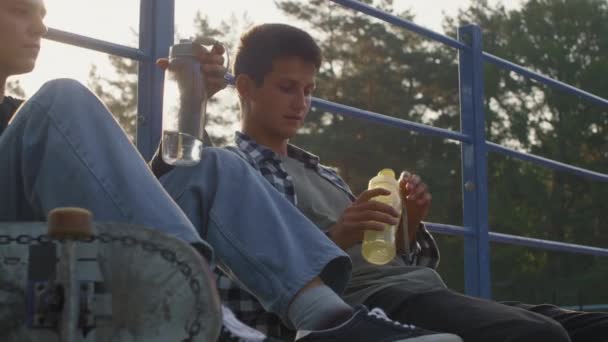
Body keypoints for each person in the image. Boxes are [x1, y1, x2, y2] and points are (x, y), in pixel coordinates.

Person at [0, 1, 463, 341]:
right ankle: (201, 309)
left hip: (56, 265)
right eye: (20, 8)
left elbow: (125, 199)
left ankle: (326, 320)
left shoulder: (34, 126)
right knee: (62, 98)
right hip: (27, 269)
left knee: (214, 165)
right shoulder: (46, 120)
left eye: (41, 10)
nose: (40, 22)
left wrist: (191, 101)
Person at [196, 22, 608, 342]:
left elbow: (382, 259)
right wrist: (338, 235)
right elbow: (258, 275)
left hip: (420, 290)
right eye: (287, 88)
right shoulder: (236, 171)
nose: (301, 103)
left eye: (308, 90)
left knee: (593, 327)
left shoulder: (325, 173)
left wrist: (406, 227)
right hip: (371, 306)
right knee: (541, 336)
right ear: (246, 87)